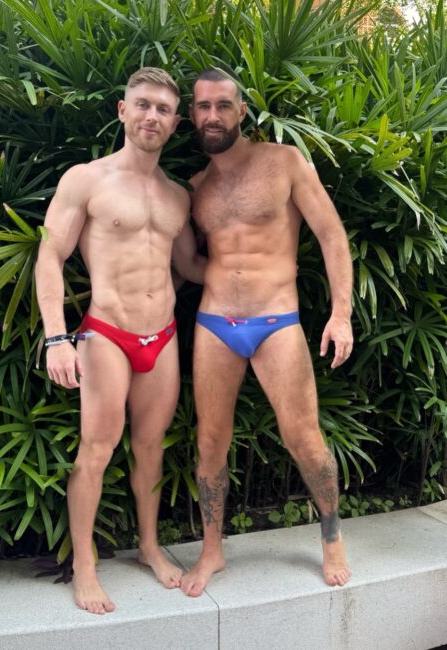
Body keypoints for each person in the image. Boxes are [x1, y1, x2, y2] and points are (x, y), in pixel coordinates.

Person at [35, 67, 206, 615]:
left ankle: (149, 547)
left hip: (163, 335)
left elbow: (189, 267)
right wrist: (56, 338)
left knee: (151, 449)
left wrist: (256, 271)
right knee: (97, 450)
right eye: (143, 104)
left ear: (175, 124)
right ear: (123, 110)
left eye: (163, 109)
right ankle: (85, 565)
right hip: (105, 332)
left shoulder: (178, 197)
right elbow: (50, 255)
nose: (152, 116)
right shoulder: (86, 179)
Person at [180, 68, 353, 598]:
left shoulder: (284, 162)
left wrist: (341, 313)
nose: (213, 115)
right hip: (214, 323)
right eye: (203, 106)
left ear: (241, 111)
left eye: (223, 105)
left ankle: (331, 535)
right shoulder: (195, 188)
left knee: (304, 437)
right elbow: (190, 263)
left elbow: (331, 234)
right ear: (193, 115)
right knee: (210, 442)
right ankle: (212, 549)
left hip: (277, 320)